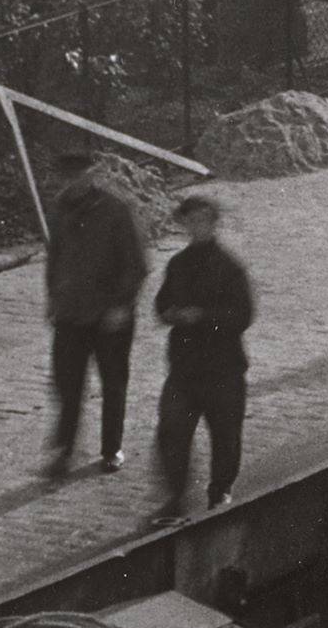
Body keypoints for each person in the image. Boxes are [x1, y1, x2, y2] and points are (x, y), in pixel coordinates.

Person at [38, 150, 149, 478]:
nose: (73, 182)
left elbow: (136, 264)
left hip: (110, 315)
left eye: (80, 175)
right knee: (67, 384)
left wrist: (122, 305)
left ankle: (111, 449)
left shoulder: (116, 210)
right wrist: (53, 297)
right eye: (67, 176)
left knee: (113, 383)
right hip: (71, 313)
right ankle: (64, 452)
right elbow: (55, 257)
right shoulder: (59, 209)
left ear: (92, 176)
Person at [149, 194, 256, 520]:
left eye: (203, 221)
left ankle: (220, 491)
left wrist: (202, 317)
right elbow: (161, 304)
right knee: (172, 430)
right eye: (191, 221)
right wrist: (169, 314)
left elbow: (243, 315)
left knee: (225, 434)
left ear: (214, 224)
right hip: (184, 367)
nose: (197, 227)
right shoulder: (177, 264)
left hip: (223, 368)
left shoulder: (230, 267)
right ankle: (175, 495)